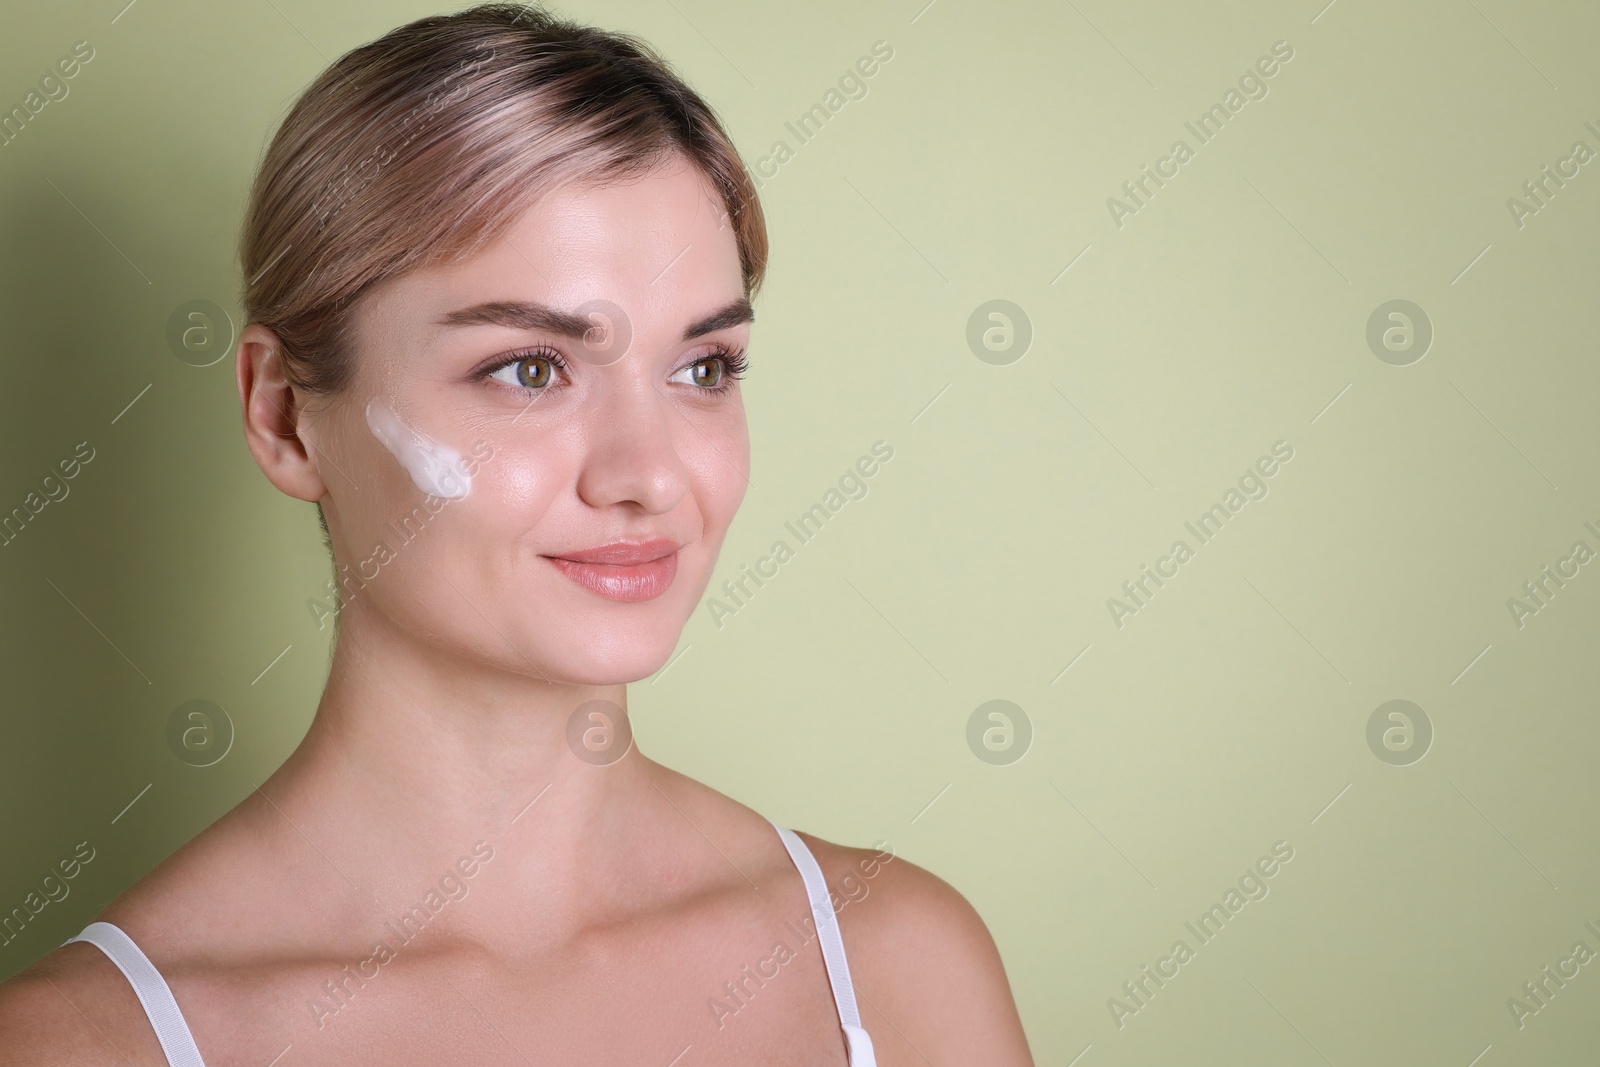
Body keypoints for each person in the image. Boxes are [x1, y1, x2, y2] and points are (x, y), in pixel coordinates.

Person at [0, 4, 1034, 1063]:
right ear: (282, 415)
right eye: (530, 368)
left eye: (703, 368)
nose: (647, 476)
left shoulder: (895, 961)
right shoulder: (86, 1041)